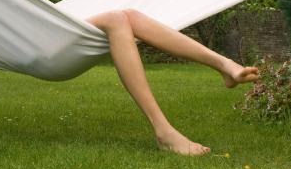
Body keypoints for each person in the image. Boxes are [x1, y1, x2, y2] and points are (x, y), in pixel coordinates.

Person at [86, 9, 259, 156]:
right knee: (115, 19)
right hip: (58, 38)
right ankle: (164, 132)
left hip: (62, 29)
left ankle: (224, 65)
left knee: (130, 15)